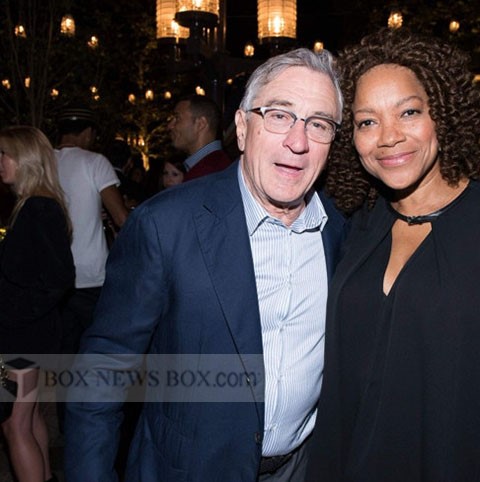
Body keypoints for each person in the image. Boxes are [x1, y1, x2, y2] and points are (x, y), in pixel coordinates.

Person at [64, 47, 345, 482]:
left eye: (319, 124)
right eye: (279, 115)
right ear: (242, 128)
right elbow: (102, 372)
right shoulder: (165, 224)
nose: (298, 140)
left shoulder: (339, 231)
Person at [307, 29, 480, 481]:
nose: (388, 137)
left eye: (409, 112)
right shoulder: (357, 224)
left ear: (443, 115)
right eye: (367, 122)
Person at [0, 126, 75, 482]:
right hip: (31, 334)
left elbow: (58, 278)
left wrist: (12, 316)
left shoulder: (38, 207)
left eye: (4, 154)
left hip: (21, 338)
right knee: (28, 418)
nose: (0, 161)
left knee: (13, 423)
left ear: (25, 159)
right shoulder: (34, 204)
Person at [55, 106, 129, 356]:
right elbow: (121, 218)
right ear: (88, 133)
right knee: (98, 347)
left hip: (55, 274)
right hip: (91, 276)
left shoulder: (45, 162)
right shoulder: (95, 161)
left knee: (63, 350)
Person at [167, 94, 232, 182]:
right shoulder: (217, 166)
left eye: (177, 118)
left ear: (200, 124)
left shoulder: (209, 173)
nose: (170, 126)